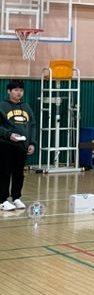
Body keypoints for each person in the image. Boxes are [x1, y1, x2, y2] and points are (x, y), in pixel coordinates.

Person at [0, 80, 36, 211]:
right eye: (15, 90)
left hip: (22, 146)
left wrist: (32, 142)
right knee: (4, 172)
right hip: (6, 145)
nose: (19, 93)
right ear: (9, 91)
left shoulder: (26, 106)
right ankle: (2, 200)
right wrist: (8, 135)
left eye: (21, 90)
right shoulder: (2, 106)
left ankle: (16, 197)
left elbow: (32, 125)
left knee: (19, 173)